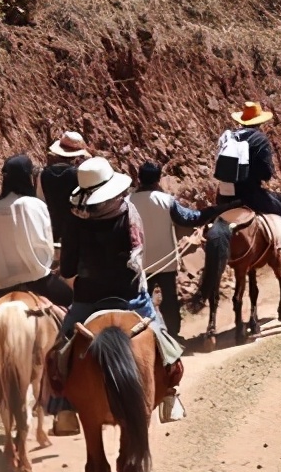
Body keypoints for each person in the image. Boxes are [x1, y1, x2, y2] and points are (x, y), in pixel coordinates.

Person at [51, 156, 185, 422]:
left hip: (88, 300)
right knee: (165, 342)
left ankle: (64, 407)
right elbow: (137, 257)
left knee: (60, 349)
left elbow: (66, 271)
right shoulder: (128, 213)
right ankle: (170, 393)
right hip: (130, 297)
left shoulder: (75, 220)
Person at [0, 154, 74, 361]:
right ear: (27, 177)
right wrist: (47, 260)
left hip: (1, 284)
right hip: (38, 280)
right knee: (74, 306)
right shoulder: (35, 205)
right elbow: (44, 241)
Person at [210, 101, 281, 266]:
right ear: (260, 122)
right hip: (249, 195)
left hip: (223, 195)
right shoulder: (259, 139)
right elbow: (266, 173)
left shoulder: (229, 136)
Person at [128, 161, 206, 339]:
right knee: (169, 300)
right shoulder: (167, 201)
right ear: (158, 179)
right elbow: (189, 218)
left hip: (139, 264)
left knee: (140, 301)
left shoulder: (127, 202)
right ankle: (173, 334)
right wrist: (210, 213)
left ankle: (143, 336)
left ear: (138, 179)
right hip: (166, 261)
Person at [39, 130, 90, 245]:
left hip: (53, 232)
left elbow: (41, 201)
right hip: (76, 232)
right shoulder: (79, 174)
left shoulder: (42, 174)